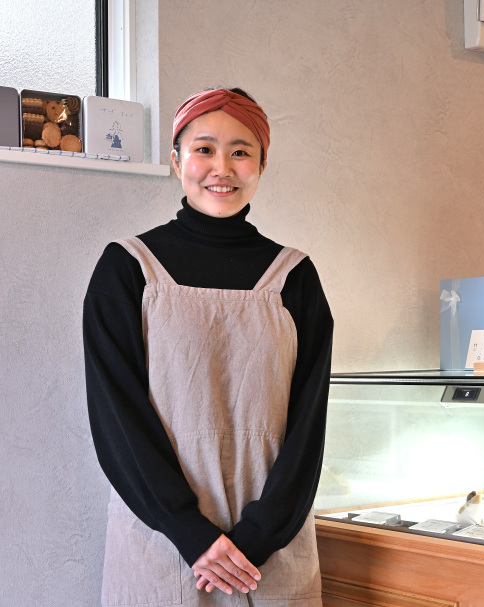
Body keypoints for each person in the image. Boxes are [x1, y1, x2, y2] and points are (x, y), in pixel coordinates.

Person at [83, 87, 332, 606]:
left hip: (269, 551)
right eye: (204, 149)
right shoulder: (126, 269)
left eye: (241, 151)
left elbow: (310, 424)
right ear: (176, 161)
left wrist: (258, 536)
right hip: (162, 543)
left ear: (262, 164)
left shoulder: (295, 276)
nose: (222, 167)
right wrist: (190, 532)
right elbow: (117, 420)